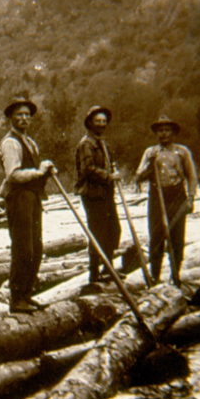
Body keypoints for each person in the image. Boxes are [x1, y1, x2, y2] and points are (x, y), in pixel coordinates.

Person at [0, 97, 54, 313]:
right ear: (11, 117)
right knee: (23, 248)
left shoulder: (30, 142)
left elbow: (34, 173)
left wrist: (46, 173)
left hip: (33, 198)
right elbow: (13, 175)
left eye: (27, 115)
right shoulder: (10, 143)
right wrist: (38, 172)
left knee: (36, 248)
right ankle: (17, 298)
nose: (23, 118)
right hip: (19, 198)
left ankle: (27, 294)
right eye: (19, 114)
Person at [135, 115, 197, 286]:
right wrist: (150, 164)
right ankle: (155, 277)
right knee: (156, 237)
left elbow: (192, 176)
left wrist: (191, 198)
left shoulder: (182, 152)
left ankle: (175, 275)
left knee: (177, 237)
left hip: (177, 196)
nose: (164, 134)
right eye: (160, 131)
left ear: (173, 132)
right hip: (157, 196)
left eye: (167, 130)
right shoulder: (150, 152)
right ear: (156, 133)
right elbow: (138, 177)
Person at [75, 106, 122, 288]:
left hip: (106, 193)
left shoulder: (103, 143)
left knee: (113, 230)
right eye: (98, 121)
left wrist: (113, 170)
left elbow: (109, 164)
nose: (101, 124)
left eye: (104, 121)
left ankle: (108, 269)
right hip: (93, 194)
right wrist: (109, 176)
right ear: (90, 123)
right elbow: (87, 170)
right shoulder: (86, 144)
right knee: (98, 234)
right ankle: (94, 275)